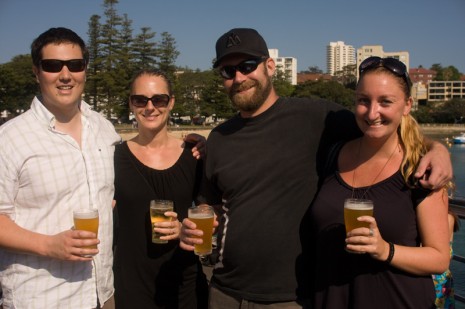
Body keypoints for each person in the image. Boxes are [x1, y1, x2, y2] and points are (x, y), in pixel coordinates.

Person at [179, 28, 453, 308]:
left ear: (270, 66)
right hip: (225, 292)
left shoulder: (318, 117)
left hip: (293, 297)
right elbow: (211, 207)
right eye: (228, 71)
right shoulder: (219, 138)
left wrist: (436, 149)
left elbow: (379, 125)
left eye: (247, 66)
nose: (238, 78)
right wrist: (193, 228)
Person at [308, 56, 451, 308]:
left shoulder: (420, 169)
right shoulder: (332, 154)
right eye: (364, 101)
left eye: (385, 101)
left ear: (407, 105)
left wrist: (385, 250)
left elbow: (439, 259)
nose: (372, 113)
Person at [0, 27, 120, 308]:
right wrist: (48, 245)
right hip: (42, 297)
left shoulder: (104, 128)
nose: (66, 75)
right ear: (36, 72)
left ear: (85, 70)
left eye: (75, 65)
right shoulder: (9, 139)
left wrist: (193, 145)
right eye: (53, 66)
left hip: (102, 293)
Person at [112, 69, 209, 309]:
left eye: (159, 99)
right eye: (140, 100)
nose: (150, 107)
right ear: (131, 104)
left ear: (171, 102)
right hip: (132, 287)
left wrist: (185, 229)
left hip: (184, 287)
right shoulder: (113, 157)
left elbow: (209, 211)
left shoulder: (195, 155)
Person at [433, 210, 461, 308]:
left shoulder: (448, 217)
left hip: (437, 282)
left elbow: (447, 254)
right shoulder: (448, 217)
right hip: (440, 280)